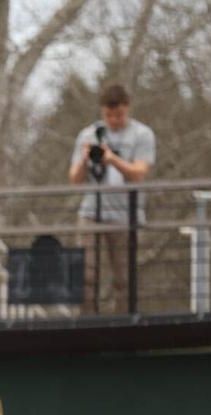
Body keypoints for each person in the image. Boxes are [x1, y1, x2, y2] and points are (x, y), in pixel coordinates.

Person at [67, 83, 156, 314]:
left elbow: (138, 174)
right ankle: (87, 326)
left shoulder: (142, 134)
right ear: (102, 111)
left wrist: (113, 159)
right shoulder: (88, 135)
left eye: (118, 115)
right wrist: (85, 160)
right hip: (91, 213)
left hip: (127, 216)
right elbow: (74, 180)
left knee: (124, 279)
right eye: (108, 115)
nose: (113, 120)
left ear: (127, 108)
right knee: (86, 276)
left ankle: (124, 328)